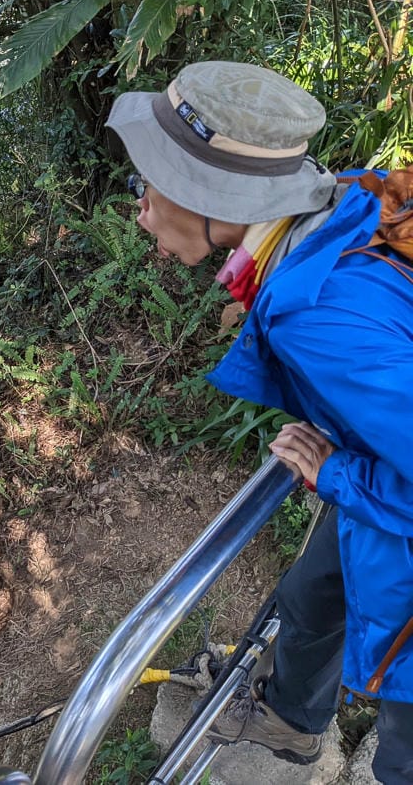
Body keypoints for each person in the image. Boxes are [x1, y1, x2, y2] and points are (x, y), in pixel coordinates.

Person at [105, 61, 413, 784]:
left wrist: (336, 471)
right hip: (387, 482)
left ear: (200, 193)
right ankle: (292, 718)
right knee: (312, 593)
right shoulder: (347, 200)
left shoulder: (313, 313)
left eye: (145, 186)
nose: (140, 208)